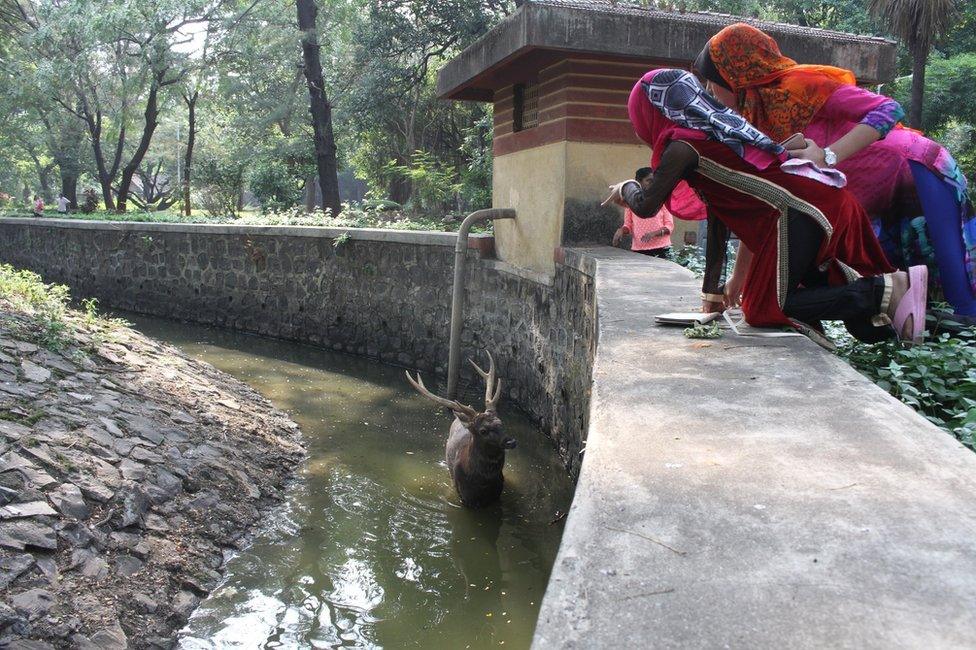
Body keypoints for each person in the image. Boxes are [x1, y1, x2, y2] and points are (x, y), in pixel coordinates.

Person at [605, 69, 928, 344]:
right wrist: (712, 299)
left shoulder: (683, 145)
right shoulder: (717, 131)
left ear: (654, 111)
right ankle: (922, 312)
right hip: (818, 203)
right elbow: (719, 220)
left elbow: (646, 206)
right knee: (862, 323)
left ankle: (879, 288)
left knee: (764, 308)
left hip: (798, 210)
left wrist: (627, 187)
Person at [693, 23, 976, 318]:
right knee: (910, 305)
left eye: (712, 81)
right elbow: (766, 206)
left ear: (736, 73)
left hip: (915, 169)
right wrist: (738, 281)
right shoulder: (755, 124)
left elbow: (889, 110)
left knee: (960, 296)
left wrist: (828, 156)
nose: (709, 91)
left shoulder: (799, 86)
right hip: (879, 198)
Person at [612, 167, 675, 258]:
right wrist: (621, 231)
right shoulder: (631, 202)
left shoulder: (662, 200)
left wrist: (654, 233)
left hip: (662, 248)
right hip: (639, 249)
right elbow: (628, 225)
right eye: (649, 181)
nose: (652, 184)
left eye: (654, 181)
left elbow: (669, 226)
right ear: (638, 182)